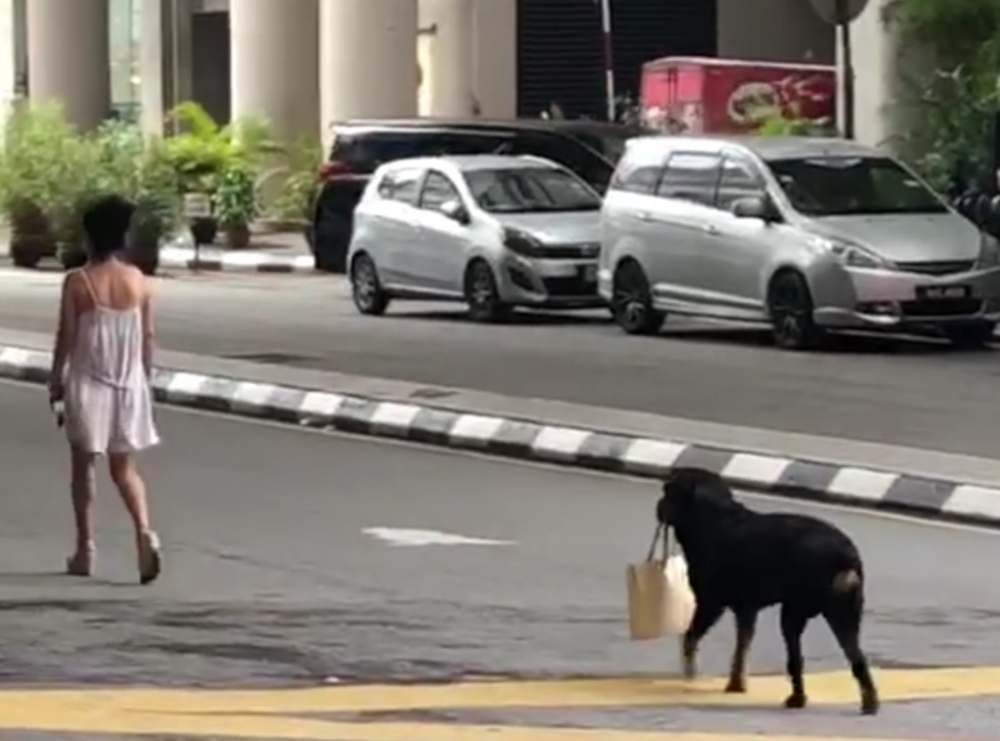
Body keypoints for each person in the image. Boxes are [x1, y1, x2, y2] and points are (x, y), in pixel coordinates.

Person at [48, 195, 162, 585]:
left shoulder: (78, 282)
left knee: (84, 468)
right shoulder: (139, 281)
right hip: (128, 386)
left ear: (89, 236)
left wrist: (55, 380)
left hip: (89, 383)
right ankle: (144, 530)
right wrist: (142, 383)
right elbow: (147, 338)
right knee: (125, 468)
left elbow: (66, 337)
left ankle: (85, 549)